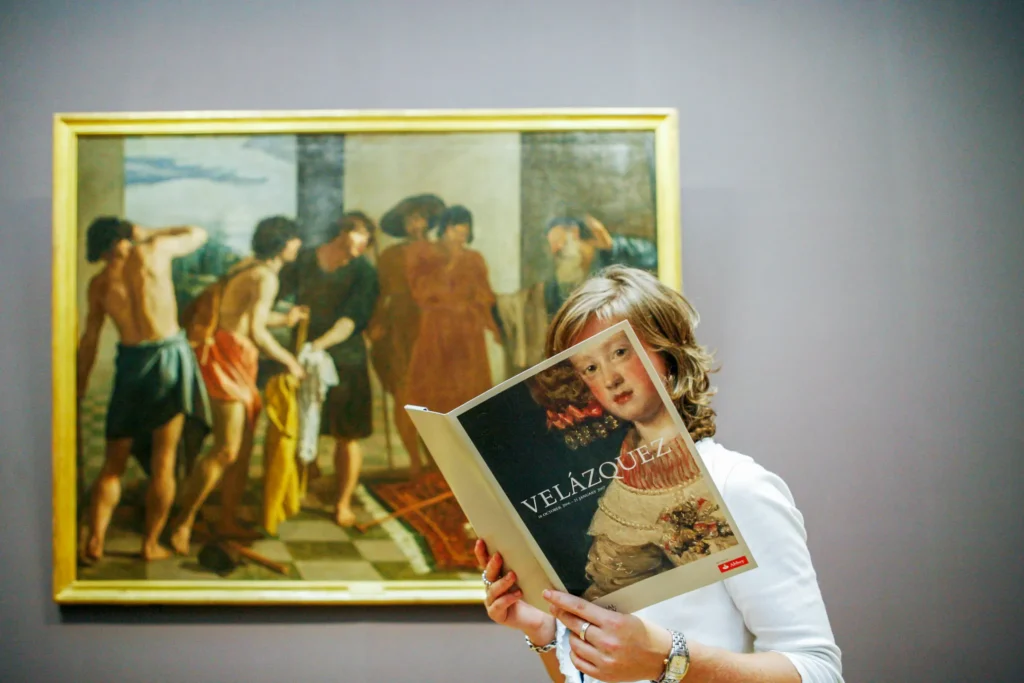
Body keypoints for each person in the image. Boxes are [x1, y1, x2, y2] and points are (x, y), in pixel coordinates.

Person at [476, 265, 843, 683]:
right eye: (589, 368)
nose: (610, 378)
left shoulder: (737, 485)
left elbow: (819, 671)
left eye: (620, 352)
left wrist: (669, 658)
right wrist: (543, 632)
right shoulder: (604, 494)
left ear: (669, 354)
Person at [168, 216, 309, 554]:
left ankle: (227, 520)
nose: (298, 244)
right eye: (294, 238)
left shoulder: (249, 268)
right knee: (227, 449)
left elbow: (246, 316)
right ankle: (182, 523)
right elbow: (256, 330)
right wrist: (289, 360)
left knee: (242, 449)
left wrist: (285, 319)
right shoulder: (265, 276)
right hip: (227, 360)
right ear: (281, 243)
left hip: (238, 356)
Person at [77, 217, 211, 562]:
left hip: (131, 366)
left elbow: (89, 341)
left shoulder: (99, 284)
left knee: (113, 464)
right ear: (125, 235)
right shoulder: (155, 251)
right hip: (168, 360)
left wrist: (79, 386)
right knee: (163, 462)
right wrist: (148, 232)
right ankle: (150, 544)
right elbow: (198, 233)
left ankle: (96, 539)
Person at [279, 211, 380, 527]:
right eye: (360, 234)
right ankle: (296, 488)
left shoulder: (364, 272)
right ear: (343, 231)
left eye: (368, 239)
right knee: (300, 423)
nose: (363, 243)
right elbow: (280, 296)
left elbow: (350, 320)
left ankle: (342, 502)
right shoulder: (305, 260)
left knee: (346, 434)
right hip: (301, 352)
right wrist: (288, 316)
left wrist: (318, 346)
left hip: (346, 358)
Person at [367, 194, 445, 475]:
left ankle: (436, 462)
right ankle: (413, 460)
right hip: (400, 329)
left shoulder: (441, 252)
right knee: (404, 395)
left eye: (420, 218)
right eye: (409, 219)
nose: (415, 224)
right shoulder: (390, 255)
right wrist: (375, 322)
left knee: (435, 398)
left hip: (435, 328)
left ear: (428, 221)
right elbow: (379, 295)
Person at [405, 205, 499, 417]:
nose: (459, 237)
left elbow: (486, 295)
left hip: (468, 333)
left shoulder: (474, 259)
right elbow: (420, 292)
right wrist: (450, 265)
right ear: (445, 230)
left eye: (464, 232)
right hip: (437, 329)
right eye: (455, 230)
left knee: (470, 390)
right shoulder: (425, 255)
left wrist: (491, 323)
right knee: (436, 387)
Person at [543, 214, 658, 316]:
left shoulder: (612, 255)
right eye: (555, 253)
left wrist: (613, 247)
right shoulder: (555, 289)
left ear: (575, 233)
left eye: (562, 249)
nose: (558, 257)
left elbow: (654, 257)